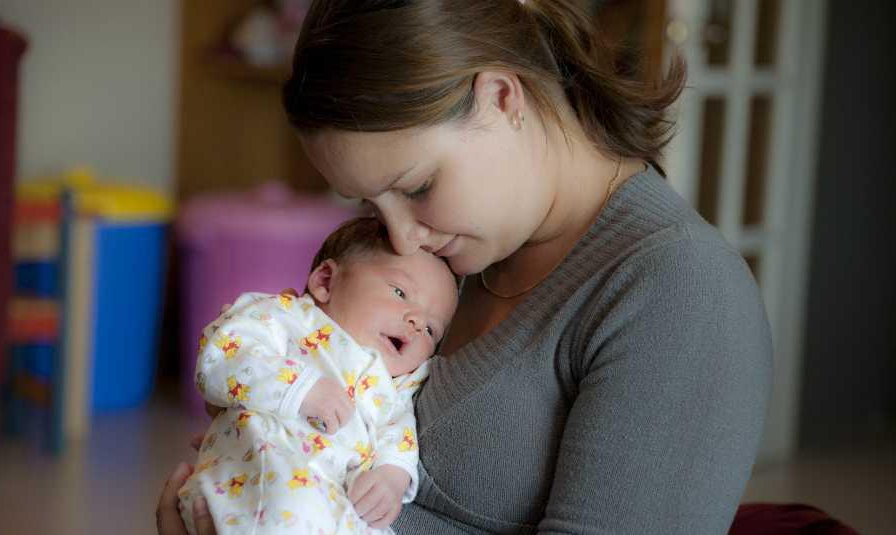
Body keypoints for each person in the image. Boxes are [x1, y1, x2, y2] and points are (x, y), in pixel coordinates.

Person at [159, 0, 772, 533]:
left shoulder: (676, 290)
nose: (401, 237)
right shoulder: (461, 255)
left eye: (419, 186)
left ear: (502, 97)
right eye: (371, 206)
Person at [177, 217, 458, 534]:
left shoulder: (399, 385)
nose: (417, 322)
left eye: (432, 329)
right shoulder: (286, 317)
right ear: (326, 281)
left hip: (334, 499)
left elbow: (400, 433)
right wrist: (299, 387)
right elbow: (220, 357)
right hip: (256, 481)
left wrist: (392, 476)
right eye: (400, 292)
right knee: (289, 508)